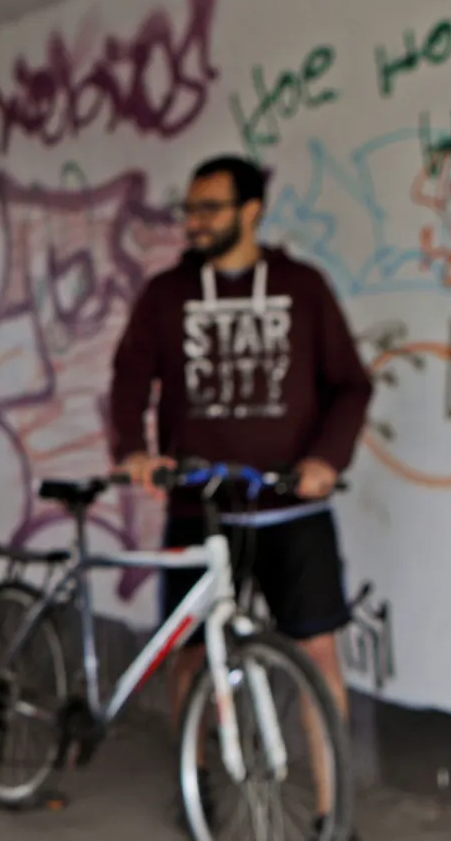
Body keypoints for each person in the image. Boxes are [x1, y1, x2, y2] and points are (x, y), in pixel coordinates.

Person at [110, 154, 370, 837]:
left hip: (293, 508)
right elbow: (129, 378)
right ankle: (196, 782)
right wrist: (133, 451)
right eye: (189, 210)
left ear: (252, 210)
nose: (194, 223)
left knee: (317, 654)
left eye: (210, 209)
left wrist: (325, 458)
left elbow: (351, 383)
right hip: (201, 507)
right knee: (191, 654)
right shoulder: (167, 294)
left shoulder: (301, 287)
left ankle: (330, 810)